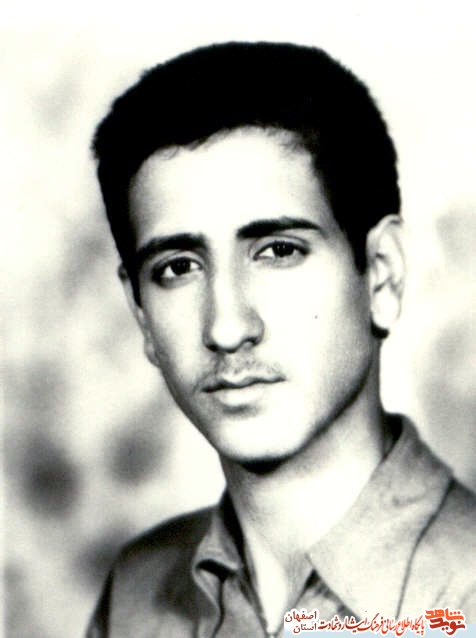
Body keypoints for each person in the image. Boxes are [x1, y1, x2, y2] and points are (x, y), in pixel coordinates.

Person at [86, 42, 476, 637]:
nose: (226, 328)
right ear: (141, 313)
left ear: (382, 274)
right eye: (178, 267)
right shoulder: (137, 598)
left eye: (278, 251)